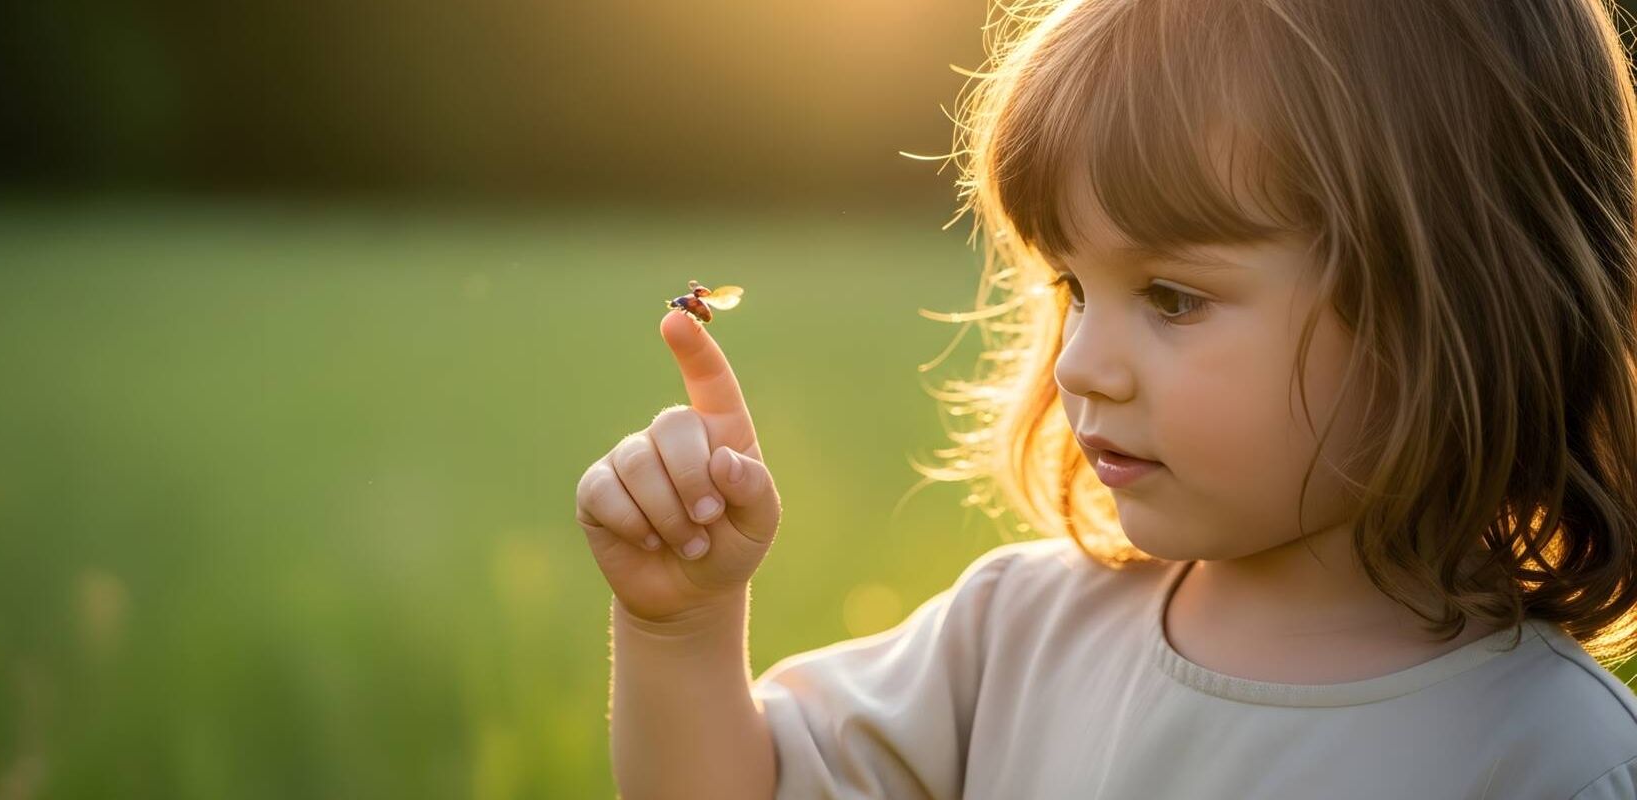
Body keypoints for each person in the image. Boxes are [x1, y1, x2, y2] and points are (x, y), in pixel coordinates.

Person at [573, 0, 1637, 796]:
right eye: (1074, 287)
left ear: (1450, 299)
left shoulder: (1555, 759)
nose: (1080, 361)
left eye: (1172, 296)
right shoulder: (1016, 637)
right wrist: (685, 629)